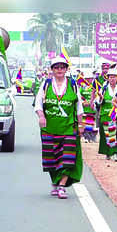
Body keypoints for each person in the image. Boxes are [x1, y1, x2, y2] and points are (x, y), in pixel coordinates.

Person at [34, 57, 84, 199]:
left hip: (69, 128)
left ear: (66, 69)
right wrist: (41, 116)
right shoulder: (46, 84)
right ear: (52, 70)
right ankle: (54, 183)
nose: (60, 70)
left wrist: (81, 124)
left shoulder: (73, 84)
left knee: (67, 158)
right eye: (57, 68)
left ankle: (62, 186)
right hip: (49, 128)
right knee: (52, 159)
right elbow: (38, 104)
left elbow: (79, 106)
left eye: (62, 67)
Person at [97, 68, 117, 161]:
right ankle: (108, 152)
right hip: (105, 114)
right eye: (110, 77)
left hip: (116, 115)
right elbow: (98, 102)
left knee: (114, 134)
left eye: (114, 77)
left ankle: (114, 152)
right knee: (106, 134)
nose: (112, 79)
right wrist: (100, 98)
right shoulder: (104, 88)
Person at [80, 70, 98, 143]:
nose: (88, 80)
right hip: (84, 109)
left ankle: (91, 138)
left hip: (92, 109)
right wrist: (83, 102)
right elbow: (79, 96)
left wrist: (92, 102)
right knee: (85, 123)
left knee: (91, 123)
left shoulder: (95, 87)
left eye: (90, 78)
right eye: (87, 78)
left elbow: (98, 96)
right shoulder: (82, 87)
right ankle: (86, 137)